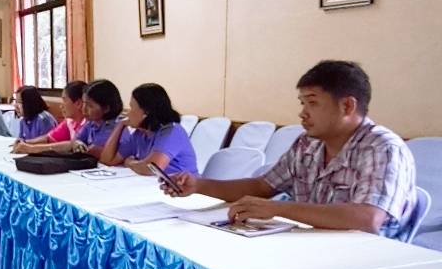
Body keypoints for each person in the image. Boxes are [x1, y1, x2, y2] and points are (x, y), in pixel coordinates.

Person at [162, 60, 416, 238]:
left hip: (369, 260)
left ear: (347, 106)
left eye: (312, 103)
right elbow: (262, 187)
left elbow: (367, 219)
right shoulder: (308, 144)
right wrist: (198, 185)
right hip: (310, 245)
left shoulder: (382, 148)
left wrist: (278, 208)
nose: (302, 113)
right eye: (302, 103)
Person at [100, 83, 198, 176]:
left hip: (183, 189)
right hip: (156, 187)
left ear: (146, 112)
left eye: (132, 107)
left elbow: (152, 168)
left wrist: (130, 163)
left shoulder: (172, 131)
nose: (128, 113)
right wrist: (120, 125)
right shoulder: (139, 134)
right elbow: (107, 160)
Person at [11, 80, 85, 153]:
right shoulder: (70, 121)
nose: (61, 106)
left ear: (78, 103)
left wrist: (31, 148)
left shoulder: (88, 124)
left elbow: (72, 145)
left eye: (64, 100)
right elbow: (49, 138)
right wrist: (25, 142)